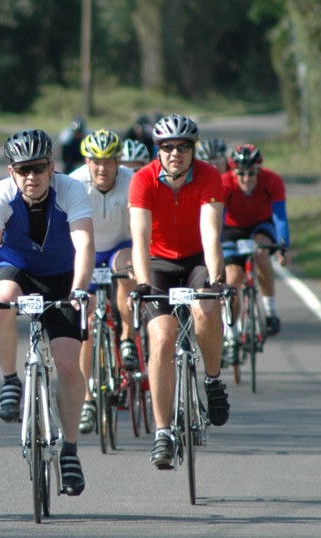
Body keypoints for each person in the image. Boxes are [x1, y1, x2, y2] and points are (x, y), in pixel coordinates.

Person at [0, 128, 95, 496]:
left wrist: (80, 289)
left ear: (52, 167)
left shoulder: (72, 190)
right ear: (12, 172)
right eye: (23, 170)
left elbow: (84, 242)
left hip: (63, 278)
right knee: (2, 303)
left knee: (70, 365)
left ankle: (70, 452)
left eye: (39, 168)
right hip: (19, 271)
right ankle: (11, 380)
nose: (32, 177)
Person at [128, 114, 231, 470]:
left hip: (196, 261)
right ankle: (162, 432)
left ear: (193, 150)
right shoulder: (142, 180)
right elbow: (140, 239)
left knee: (207, 309)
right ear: (157, 151)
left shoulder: (209, 176)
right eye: (168, 147)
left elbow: (211, 233)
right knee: (162, 338)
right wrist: (141, 283)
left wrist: (216, 276)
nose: (175, 154)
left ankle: (213, 381)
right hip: (157, 264)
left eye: (183, 147)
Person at [68, 129, 138, 434]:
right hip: (88, 251)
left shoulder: (132, 181)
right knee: (87, 323)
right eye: (95, 161)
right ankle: (87, 400)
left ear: (118, 161)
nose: (101, 168)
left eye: (108, 161)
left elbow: (142, 227)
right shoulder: (74, 183)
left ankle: (125, 338)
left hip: (122, 246)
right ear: (86, 161)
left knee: (125, 268)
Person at [221, 143, 290, 341]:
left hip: (261, 225)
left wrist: (283, 247)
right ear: (233, 171)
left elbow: (280, 218)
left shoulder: (272, 181)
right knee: (233, 279)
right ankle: (231, 334)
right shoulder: (223, 183)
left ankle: (270, 312)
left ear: (259, 171)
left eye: (252, 173)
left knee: (260, 251)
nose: (246, 179)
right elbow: (217, 221)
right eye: (241, 174)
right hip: (231, 229)